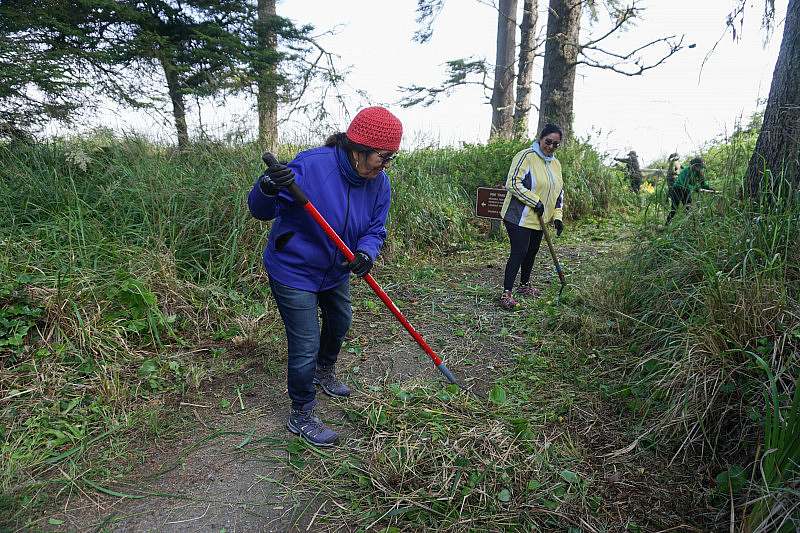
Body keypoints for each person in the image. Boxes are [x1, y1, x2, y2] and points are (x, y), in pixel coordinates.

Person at [247, 106, 402, 447]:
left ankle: (324, 371)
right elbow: (259, 210)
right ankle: (301, 412)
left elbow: (376, 228)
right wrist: (268, 186)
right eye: (382, 157)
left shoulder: (379, 183)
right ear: (357, 149)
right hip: (293, 269)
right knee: (305, 342)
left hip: (336, 269)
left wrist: (366, 252)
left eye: (391, 159)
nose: (385, 165)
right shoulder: (312, 166)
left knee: (341, 319)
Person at [498, 123, 565, 310]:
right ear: (540, 139)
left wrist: (557, 216)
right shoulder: (526, 156)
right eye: (548, 142)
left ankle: (524, 285)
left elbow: (559, 192)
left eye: (555, 144)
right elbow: (512, 182)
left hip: (540, 220)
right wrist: (534, 200)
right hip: (518, 217)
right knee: (519, 251)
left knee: (531, 252)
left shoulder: (556, 164)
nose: (551, 147)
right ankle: (506, 293)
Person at [666, 156, 714, 224]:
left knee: (688, 207)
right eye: (698, 166)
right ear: (694, 165)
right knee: (674, 208)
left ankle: (691, 224)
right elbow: (683, 183)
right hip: (677, 189)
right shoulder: (686, 171)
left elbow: (703, 183)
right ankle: (667, 224)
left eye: (700, 167)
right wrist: (695, 188)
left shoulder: (699, 173)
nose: (699, 168)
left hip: (687, 190)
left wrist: (709, 188)